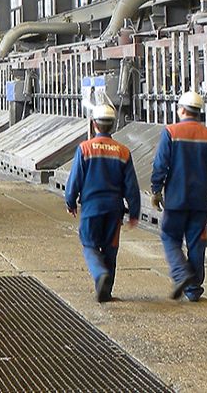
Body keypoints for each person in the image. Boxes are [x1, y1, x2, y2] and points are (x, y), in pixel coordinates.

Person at [151, 91, 207, 302]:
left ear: (183, 110)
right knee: (196, 243)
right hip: (201, 202)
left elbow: (160, 165)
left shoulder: (171, 132)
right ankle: (193, 290)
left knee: (170, 237)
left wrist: (156, 190)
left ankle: (181, 274)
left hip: (176, 200)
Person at [64, 104, 140, 303]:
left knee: (89, 245)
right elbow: (131, 186)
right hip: (114, 211)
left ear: (94, 124)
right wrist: (134, 212)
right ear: (113, 125)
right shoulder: (123, 152)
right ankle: (106, 291)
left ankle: (99, 274)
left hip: (91, 208)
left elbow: (75, 179)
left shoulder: (84, 149)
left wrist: (70, 201)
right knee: (110, 250)